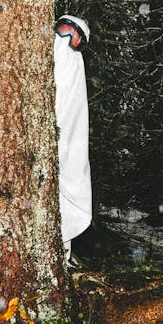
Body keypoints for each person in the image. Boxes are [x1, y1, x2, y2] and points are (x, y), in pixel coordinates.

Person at [53, 15, 92, 263]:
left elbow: (74, 110)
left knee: (67, 183)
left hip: (66, 140)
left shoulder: (74, 63)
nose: (65, 38)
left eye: (73, 35)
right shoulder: (55, 52)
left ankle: (62, 251)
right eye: (62, 31)